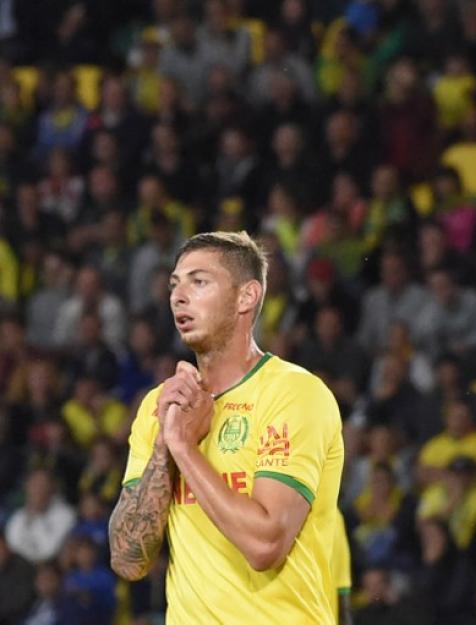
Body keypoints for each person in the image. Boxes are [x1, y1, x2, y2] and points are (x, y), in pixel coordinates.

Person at [109, 231, 344, 624]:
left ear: (246, 297)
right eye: (174, 285)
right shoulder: (161, 406)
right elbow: (127, 559)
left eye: (199, 282)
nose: (178, 296)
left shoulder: (294, 393)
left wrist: (183, 447)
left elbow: (265, 545)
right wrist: (164, 447)